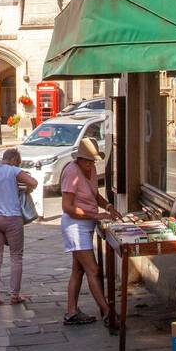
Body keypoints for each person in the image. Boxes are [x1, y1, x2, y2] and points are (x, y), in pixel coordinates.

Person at [61, 136, 118, 326]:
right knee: (93, 270)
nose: (92, 164)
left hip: (87, 223)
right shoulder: (71, 172)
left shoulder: (91, 170)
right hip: (75, 226)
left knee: (78, 270)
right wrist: (95, 216)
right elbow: (68, 207)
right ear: (80, 159)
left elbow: (94, 195)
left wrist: (108, 207)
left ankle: (71, 312)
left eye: (93, 161)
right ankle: (107, 311)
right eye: (89, 161)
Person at [0, 148, 38, 307]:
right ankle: (14, 295)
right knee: (16, 256)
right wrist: (25, 188)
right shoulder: (13, 171)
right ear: (14, 159)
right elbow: (33, 182)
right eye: (18, 161)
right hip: (12, 217)